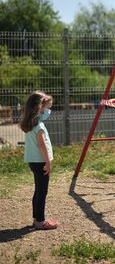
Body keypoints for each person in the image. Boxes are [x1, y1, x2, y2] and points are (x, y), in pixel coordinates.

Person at [19, 90, 58, 230]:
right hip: (41, 163)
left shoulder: (30, 124)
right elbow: (42, 146)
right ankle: (40, 221)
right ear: (39, 107)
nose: (48, 110)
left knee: (38, 190)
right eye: (47, 107)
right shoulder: (39, 126)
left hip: (33, 162)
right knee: (42, 191)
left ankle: (36, 219)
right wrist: (48, 162)